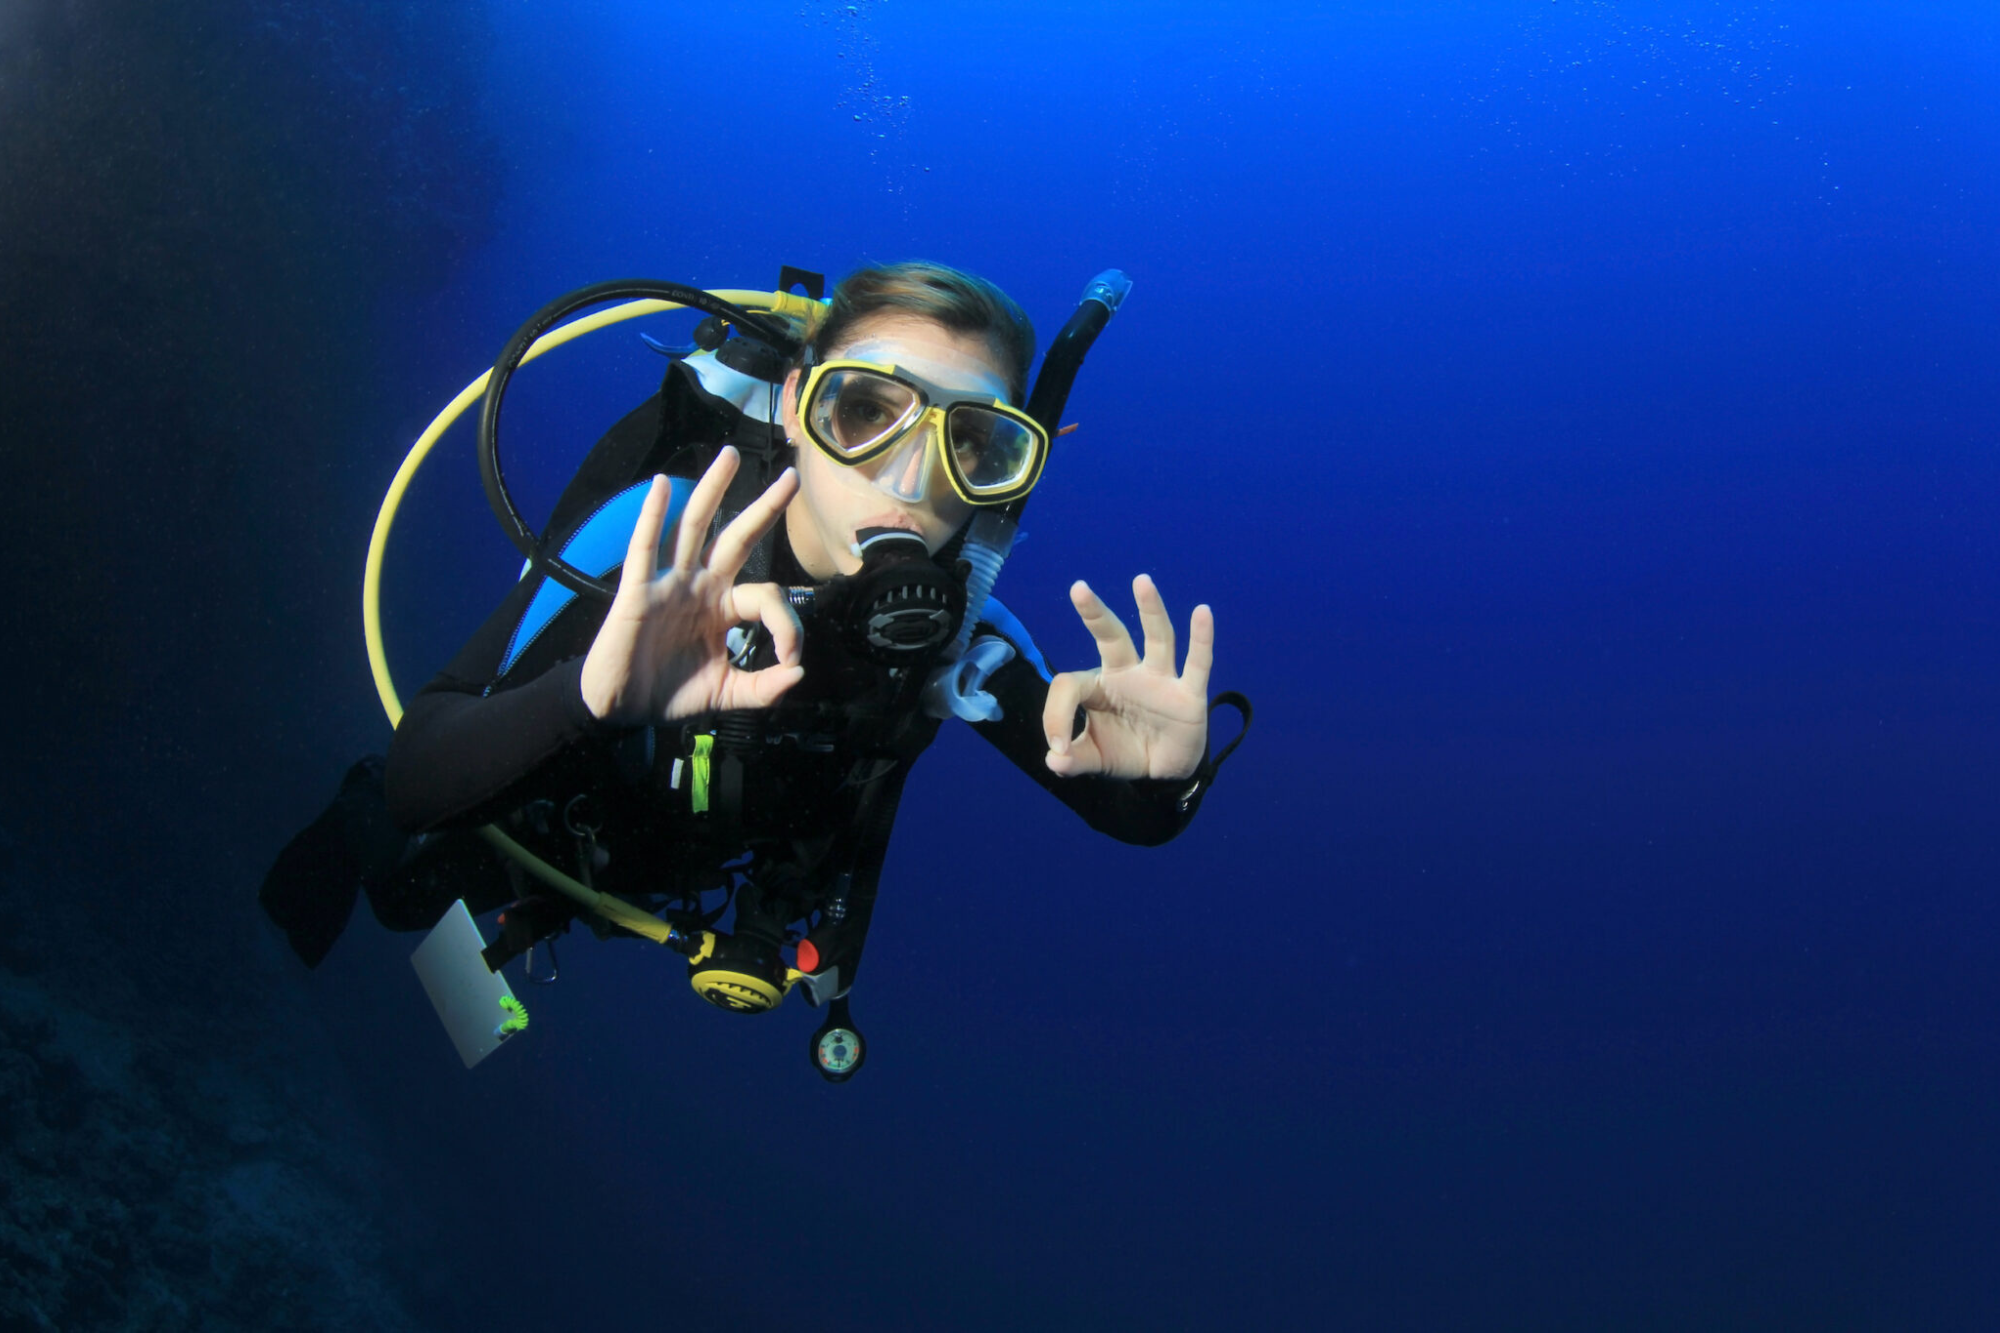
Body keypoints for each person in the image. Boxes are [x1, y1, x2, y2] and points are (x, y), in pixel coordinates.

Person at [261, 262, 1244, 1070]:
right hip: (528, 819)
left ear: (998, 476)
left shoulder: (960, 634)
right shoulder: (654, 549)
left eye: (973, 442)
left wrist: (1153, 778)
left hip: (674, 879)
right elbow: (416, 776)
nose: (909, 480)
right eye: (863, 410)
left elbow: (1126, 814)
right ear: (789, 406)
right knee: (407, 893)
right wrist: (586, 694)